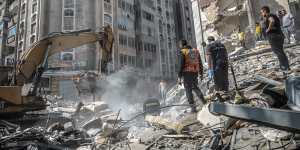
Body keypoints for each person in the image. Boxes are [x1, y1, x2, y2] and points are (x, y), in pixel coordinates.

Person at [178, 40, 205, 113]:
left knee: (188, 90)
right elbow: (200, 62)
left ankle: (193, 108)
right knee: (195, 87)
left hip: (187, 73)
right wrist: (201, 73)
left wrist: (179, 77)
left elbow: (181, 65)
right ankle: (204, 102)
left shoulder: (183, 51)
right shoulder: (195, 51)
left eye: (179, 45)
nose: (179, 46)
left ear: (181, 45)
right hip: (195, 72)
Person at [260, 6, 290, 71]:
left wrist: (268, 30)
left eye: (262, 12)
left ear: (265, 11)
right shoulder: (273, 15)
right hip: (279, 36)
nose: (262, 14)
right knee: (280, 52)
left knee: (278, 52)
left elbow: (272, 21)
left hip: (274, 37)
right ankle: (286, 66)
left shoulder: (269, 16)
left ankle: (284, 67)